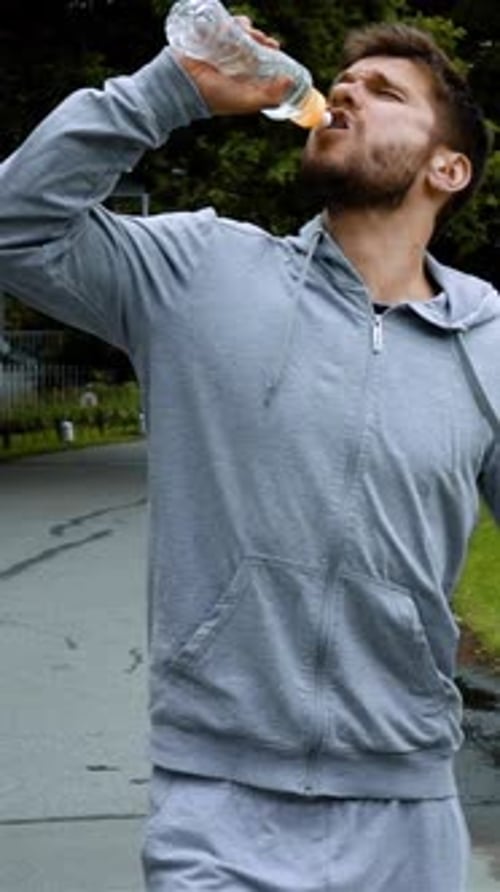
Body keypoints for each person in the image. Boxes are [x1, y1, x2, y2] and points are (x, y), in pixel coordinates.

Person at [0, 16, 499, 892]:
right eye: (346, 83)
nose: (346, 92)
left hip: (409, 811)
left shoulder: (489, 343)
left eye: (385, 93)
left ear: (445, 170)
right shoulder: (199, 272)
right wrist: (169, 87)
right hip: (220, 807)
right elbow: (15, 228)